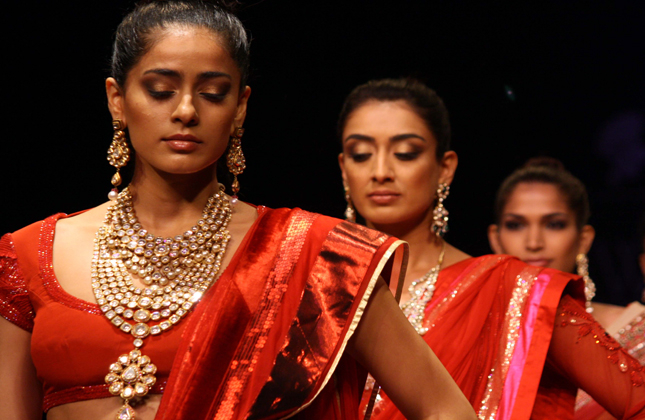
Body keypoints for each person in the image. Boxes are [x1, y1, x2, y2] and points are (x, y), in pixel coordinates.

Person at [0, 3, 477, 420]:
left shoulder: (311, 254)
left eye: (212, 93)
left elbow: (445, 409)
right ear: (117, 100)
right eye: (161, 90)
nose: (186, 110)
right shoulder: (27, 254)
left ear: (241, 108)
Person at [337, 77, 645, 419]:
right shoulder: (319, 285)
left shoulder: (512, 289)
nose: (380, 172)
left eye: (406, 153)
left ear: (445, 168)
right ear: (343, 168)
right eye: (361, 154)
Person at [487, 158, 645, 420]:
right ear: (495, 238)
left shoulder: (638, 333)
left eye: (554, 224)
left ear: (583, 239)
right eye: (516, 225)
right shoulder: (472, 329)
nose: (534, 242)